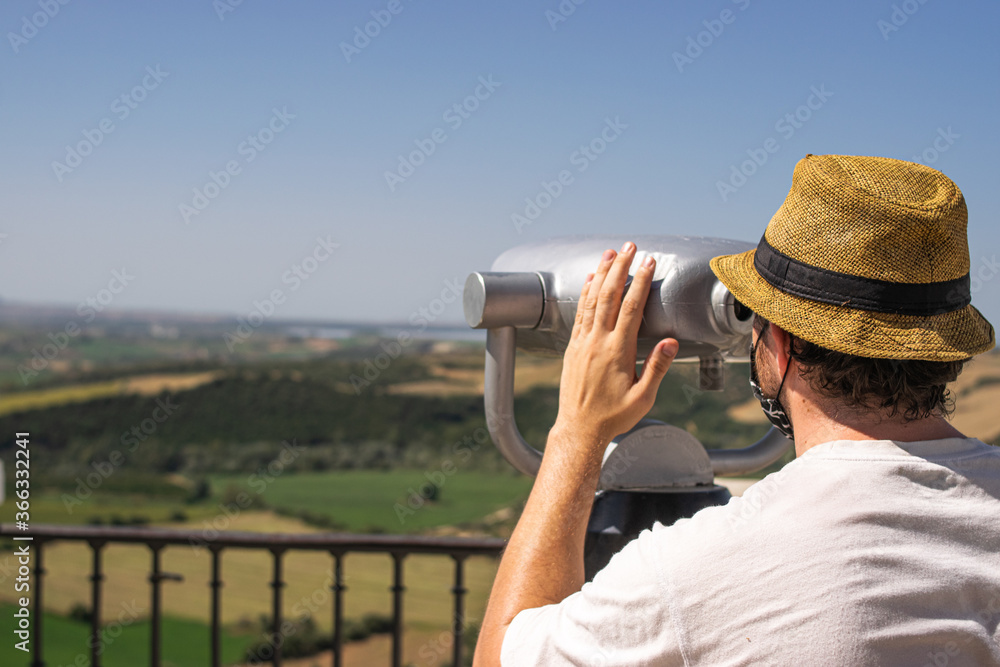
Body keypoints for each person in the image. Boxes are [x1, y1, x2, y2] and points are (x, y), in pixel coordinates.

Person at [474, 154, 1000, 666]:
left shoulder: (696, 572)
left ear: (780, 337)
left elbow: (501, 658)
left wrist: (576, 432)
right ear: (943, 348)